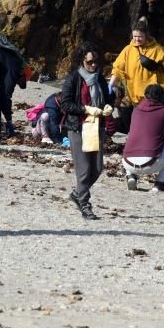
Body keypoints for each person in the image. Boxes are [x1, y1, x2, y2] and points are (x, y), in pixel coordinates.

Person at [59, 43, 115, 219]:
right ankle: (85, 204)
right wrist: (85, 109)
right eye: (89, 62)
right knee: (83, 169)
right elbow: (65, 103)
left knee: (97, 169)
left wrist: (108, 107)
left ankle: (77, 194)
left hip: (97, 126)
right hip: (78, 128)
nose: (93, 65)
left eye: (95, 62)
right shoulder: (73, 78)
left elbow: (108, 98)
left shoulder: (99, 79)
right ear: (82, 61)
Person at [109, 17, 164, 133]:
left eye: (140, 37)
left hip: (153, 97)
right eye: (134, 36)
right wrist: (110, 85)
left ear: (146, 35)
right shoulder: (128, 50)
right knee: (134, 126)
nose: (137, 39)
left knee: (151, 127)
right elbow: (117, 70)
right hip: (134, 97)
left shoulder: (156, 49)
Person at [123, 84, 164, 193]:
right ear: (162, 97)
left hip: (127, 162)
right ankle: (160, 183)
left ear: (145, 96)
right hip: (150, 164)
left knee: (134, 141)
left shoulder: (135, 110)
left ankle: (131, 176)